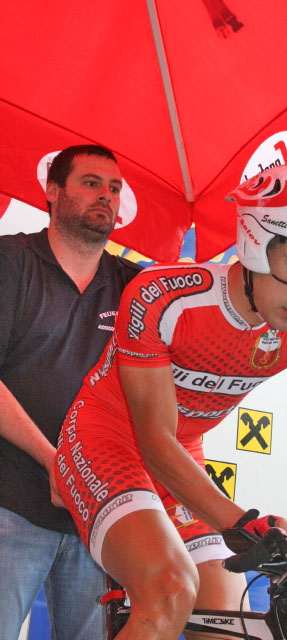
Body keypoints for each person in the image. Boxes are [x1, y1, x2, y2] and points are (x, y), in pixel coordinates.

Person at [55, 163, 287, 640]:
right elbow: (154, 438)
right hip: (105, 440)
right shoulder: (164, 297)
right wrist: (242, 524)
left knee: (226, 622)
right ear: (254, 242)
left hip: (180, 458)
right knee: (169, 591)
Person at [0, 144, 141, 640]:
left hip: (99, 515)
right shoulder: (9, 261)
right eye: (91, 182)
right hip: (10, 502)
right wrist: (54, 461)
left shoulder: (136, 288)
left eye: (114, 188)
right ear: (53, 191)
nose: (106, 196)